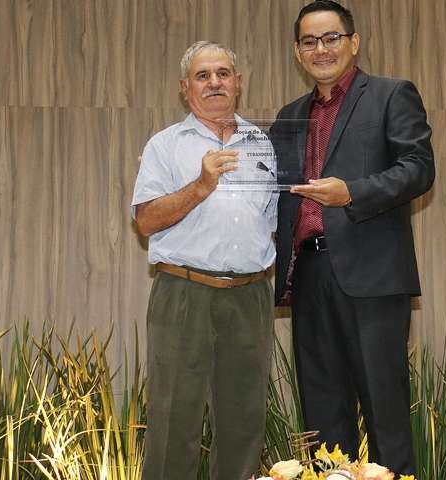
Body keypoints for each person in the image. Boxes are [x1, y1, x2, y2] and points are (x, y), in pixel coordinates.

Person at [272, 1, 435, 475]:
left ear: (353, 42)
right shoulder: (289, 116)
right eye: (309, 41)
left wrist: (352, 193)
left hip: (373, 278)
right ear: (297, 52)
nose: (321, 49)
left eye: (331, 38)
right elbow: (274, 188)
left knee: (385, 413)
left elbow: (418, 169)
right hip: (308, 276)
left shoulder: (391, 94)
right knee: (322, 417)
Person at [131, 41, 277, 480]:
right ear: (185, 88)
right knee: (174, 421)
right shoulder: (165, 145)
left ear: (238, 83)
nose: (214, 82)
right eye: (202, 75)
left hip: (250, 296)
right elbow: (146, 221)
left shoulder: (263, 145)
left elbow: (271, 223)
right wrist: (200, 185)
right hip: (184, 292)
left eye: (222, 73)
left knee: (244, 422)